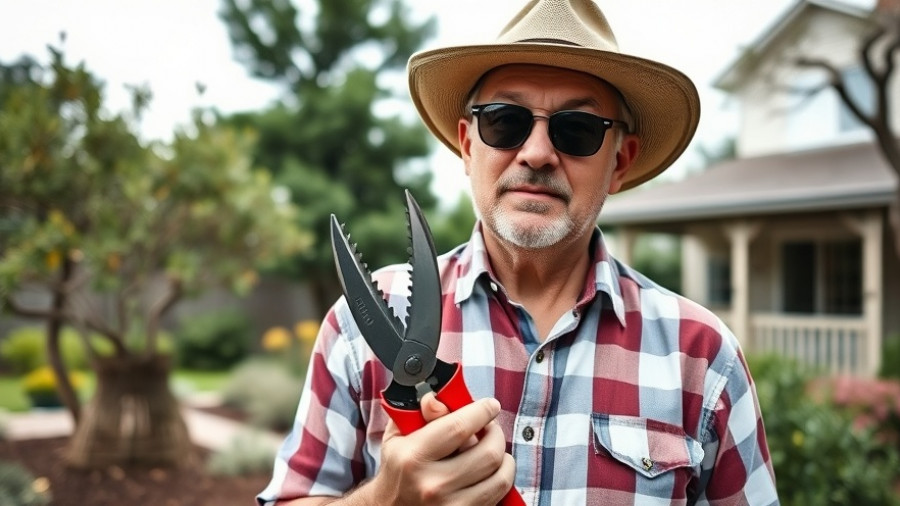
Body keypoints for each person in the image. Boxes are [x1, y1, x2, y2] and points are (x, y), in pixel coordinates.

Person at [258, 0, 778, 504]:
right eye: (505, 121)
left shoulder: (704, 358)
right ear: (467, 145)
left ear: (621, 162)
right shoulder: (354, 331)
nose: (536, 153)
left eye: (577, 131)